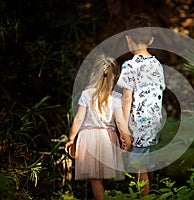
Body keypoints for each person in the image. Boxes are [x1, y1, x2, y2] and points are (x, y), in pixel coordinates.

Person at [64, 56, 132, 200]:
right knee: (103, 176)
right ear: (114, 77)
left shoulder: (86, 94)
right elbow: (120, 122)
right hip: (108, 139)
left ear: (94, 74)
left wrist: (71, 138)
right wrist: (127, 140)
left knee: (95, 179)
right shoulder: (115, 98)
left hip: (88, 139)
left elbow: (78, 119)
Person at [117, 14, 165, 196]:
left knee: (140, 168)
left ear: (128, 38)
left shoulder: (129, 66)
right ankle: (151, 192)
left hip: (138, 123)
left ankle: (145, 196)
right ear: (151, 40)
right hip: (154, 122)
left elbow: (127, 98)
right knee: (146, 161)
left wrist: (124, 127)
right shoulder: (157, 64)